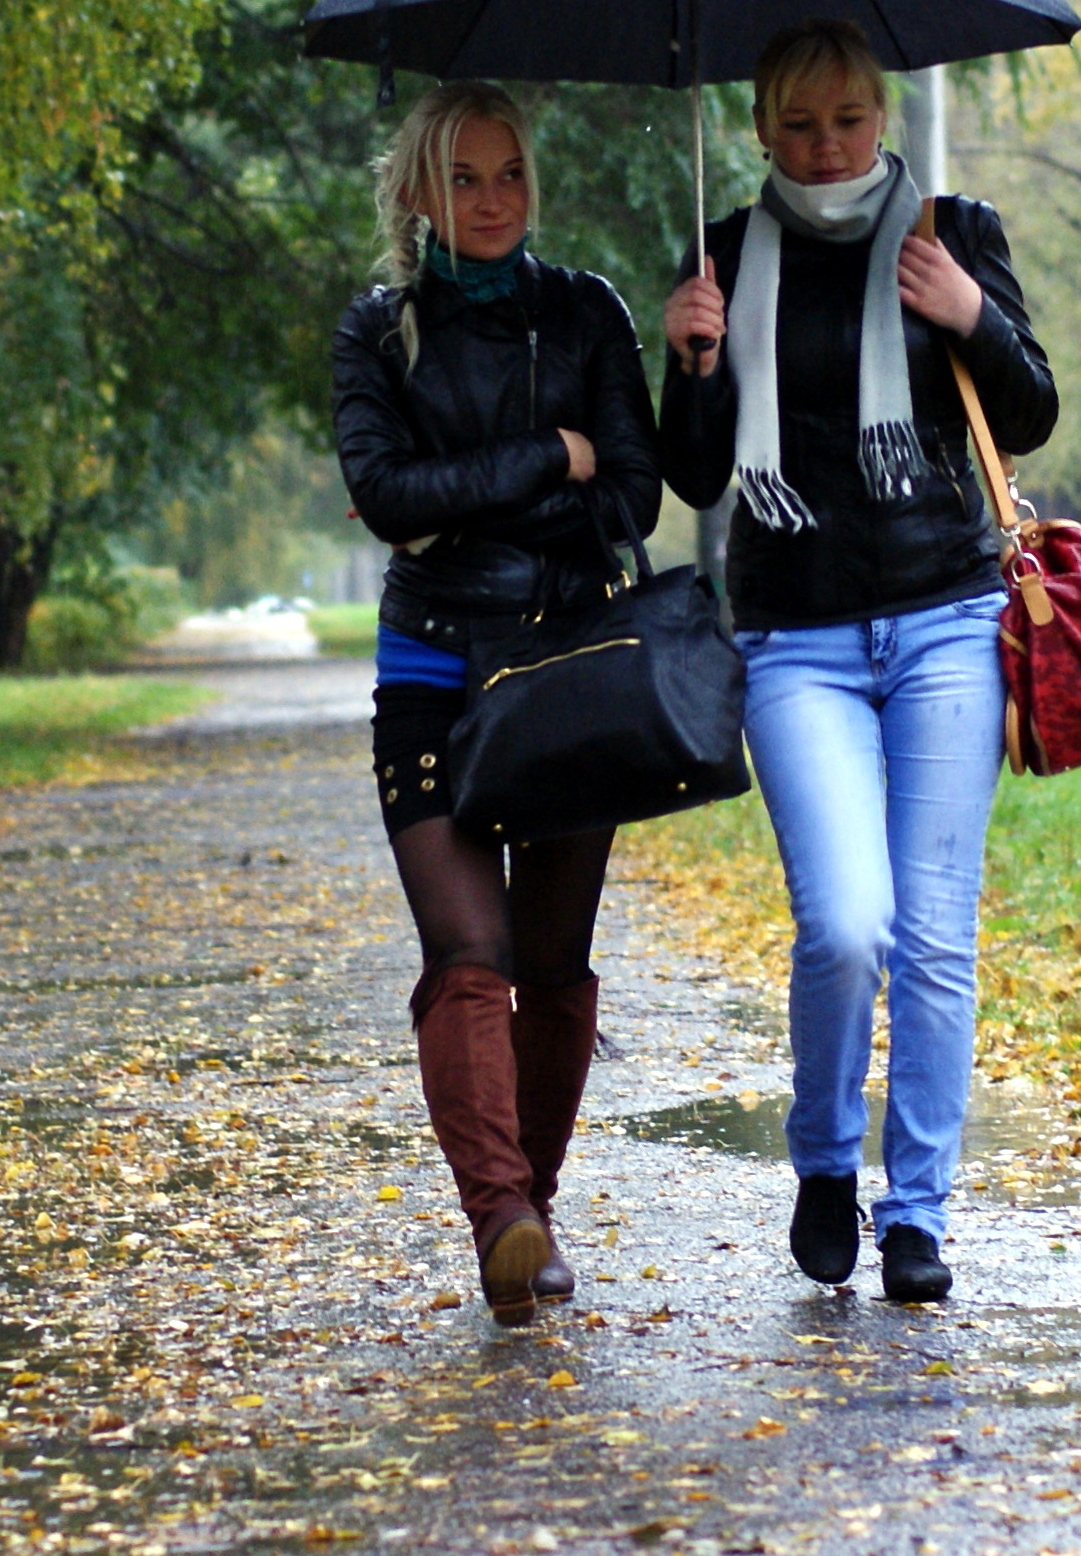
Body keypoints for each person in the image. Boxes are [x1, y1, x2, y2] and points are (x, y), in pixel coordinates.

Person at [658, 19, 1057, 1303]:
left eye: (845, 119)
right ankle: (825, 1162)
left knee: (933, 936)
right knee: (841, 925)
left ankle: (917, 1214)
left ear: (878, 115)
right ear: (761, 128)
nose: (824, 145)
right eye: (796, 124)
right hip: (795, 638)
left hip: (944, 616)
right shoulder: (721, 255)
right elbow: (695, 475)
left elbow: (1034, 406)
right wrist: (691, 363)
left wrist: (971, 314)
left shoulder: (953, 230)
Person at [331, 80, 663, 1326]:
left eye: (509, 173)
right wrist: (545, 458)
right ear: (418, 190)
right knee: (465, 952)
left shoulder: (587, 314)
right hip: (429, 665)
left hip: (569, 663)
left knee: (551, 959)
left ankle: (532, 1203)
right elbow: (386, 492)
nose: (490, 200)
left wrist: (478, 484)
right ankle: (503, 1222)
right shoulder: (377, 332)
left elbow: (629, 492)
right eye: (463, 178)